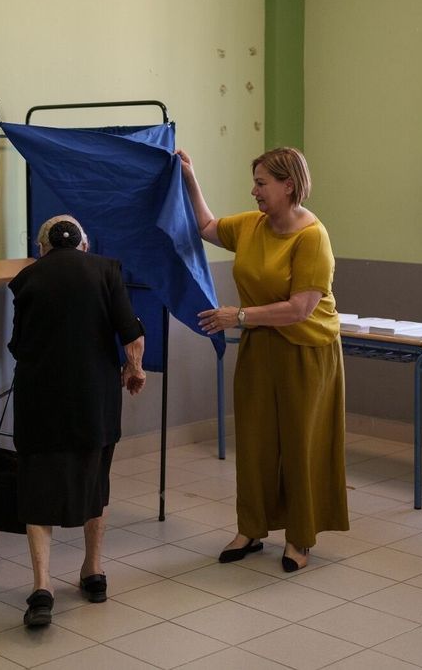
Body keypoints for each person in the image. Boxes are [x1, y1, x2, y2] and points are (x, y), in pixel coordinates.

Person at [176, 146, 348, 572]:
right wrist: (190, 178)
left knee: (300, 444)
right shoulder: (252, 226)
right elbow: (207, 226)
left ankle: (300, 538)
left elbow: (300, 309)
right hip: (261, 346)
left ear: (288, 186)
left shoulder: (313, 237)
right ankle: (250, 529)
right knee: (254, 441)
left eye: (261, 183)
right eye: (254, 183)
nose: (254, 191)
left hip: (306, 350)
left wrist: (238, 316)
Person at [7, 215, 146, 628]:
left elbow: (18, 344)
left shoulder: (27, 279)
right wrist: (134, 369)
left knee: (38, 486)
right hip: (94, 399)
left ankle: (42, 587)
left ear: (42, 248)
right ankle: (93, 571)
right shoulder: (107, 270)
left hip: (40, 399)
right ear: (84, 245)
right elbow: (132, 334)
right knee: (95, 479)